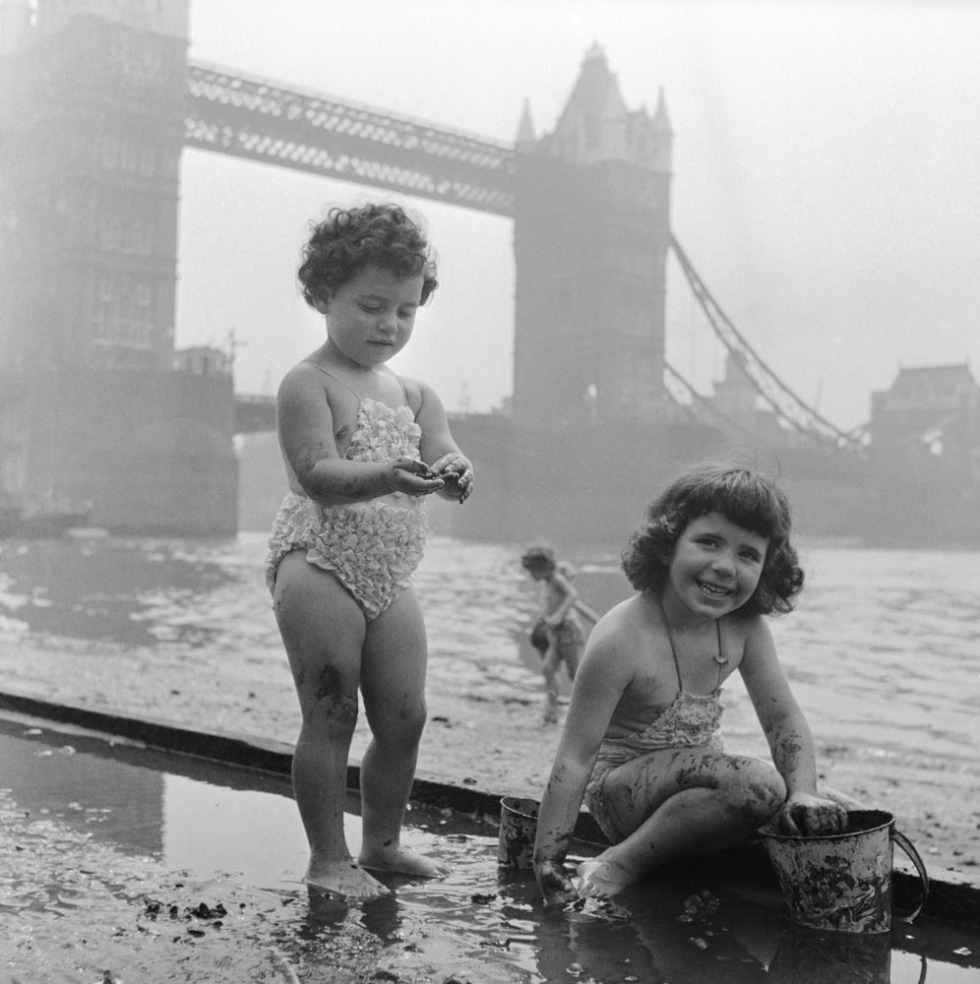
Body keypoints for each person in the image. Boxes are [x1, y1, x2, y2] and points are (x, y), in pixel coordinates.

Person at [265, 202, 474, 899]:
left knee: (405, 716)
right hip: (318, 560)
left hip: (389, 573)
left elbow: (442, 453)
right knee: (331, 711)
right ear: (323, 295)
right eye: (371, 306)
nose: (389, 325)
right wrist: (388, 475)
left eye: (405, 312)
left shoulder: (417, 395)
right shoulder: (309, 382)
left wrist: (455, 470)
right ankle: (328, 859)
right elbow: (316, 475)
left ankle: (380, 845)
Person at [533, 465, 847, 903]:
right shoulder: (622, 636)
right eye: (709, 542)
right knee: (761, 786)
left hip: (697, 787)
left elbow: (782, 719)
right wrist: (548, 858)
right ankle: (621, 861)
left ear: (766, 567)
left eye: (747, 554)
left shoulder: (745, 629)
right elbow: (575, 755)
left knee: (830, 804)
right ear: (666, 546)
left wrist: (805, 795)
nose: (724, 567)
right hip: (621, 794)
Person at [521, 546, 599, 723]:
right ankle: (552, 710)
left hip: (569, 632)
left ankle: (589, 713)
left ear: (543, 568)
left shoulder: (556, 579)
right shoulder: (548, 583)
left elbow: (573, 595)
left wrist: (558, 615)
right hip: (556, 636)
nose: (531, 576)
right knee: (548, 669)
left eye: (533, 571)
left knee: (576, 674)